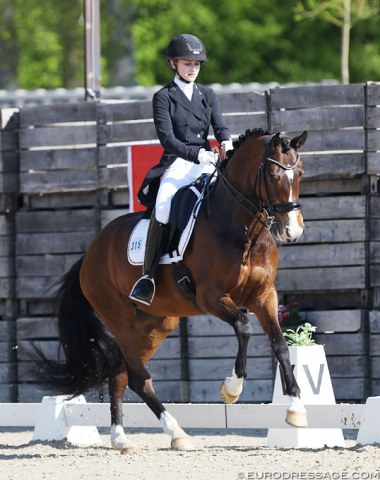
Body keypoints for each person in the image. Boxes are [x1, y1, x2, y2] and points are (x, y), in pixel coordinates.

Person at [129, 33, 233, 306]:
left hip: (207, 161)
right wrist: (197, 153)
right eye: (187, 63)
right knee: (163, 205)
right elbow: (168, 140)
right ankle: (148, 276)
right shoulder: (163, 97)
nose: (193, 68)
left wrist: (226, 142)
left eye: (197, 64)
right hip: (180, 162)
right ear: (173, 64)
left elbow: (220, 126)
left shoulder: (207, 94)